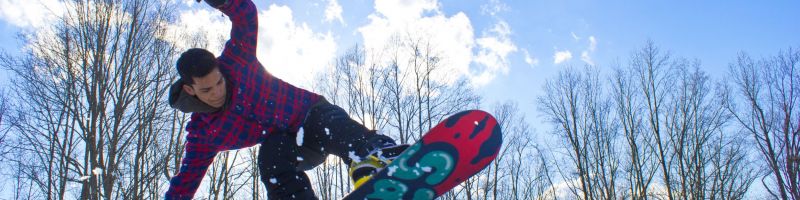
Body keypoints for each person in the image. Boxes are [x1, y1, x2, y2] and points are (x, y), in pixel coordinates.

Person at [164, 0, 406, 199]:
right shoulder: (204, 134)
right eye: (207, 90)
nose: (217, 92)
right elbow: (185, 181)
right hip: (293, 146)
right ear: (190, 89)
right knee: (271, 157)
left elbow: (245, 15)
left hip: (311, 114)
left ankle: (374, 156)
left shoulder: (237, 60)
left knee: (327, 123)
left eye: (219, 82)